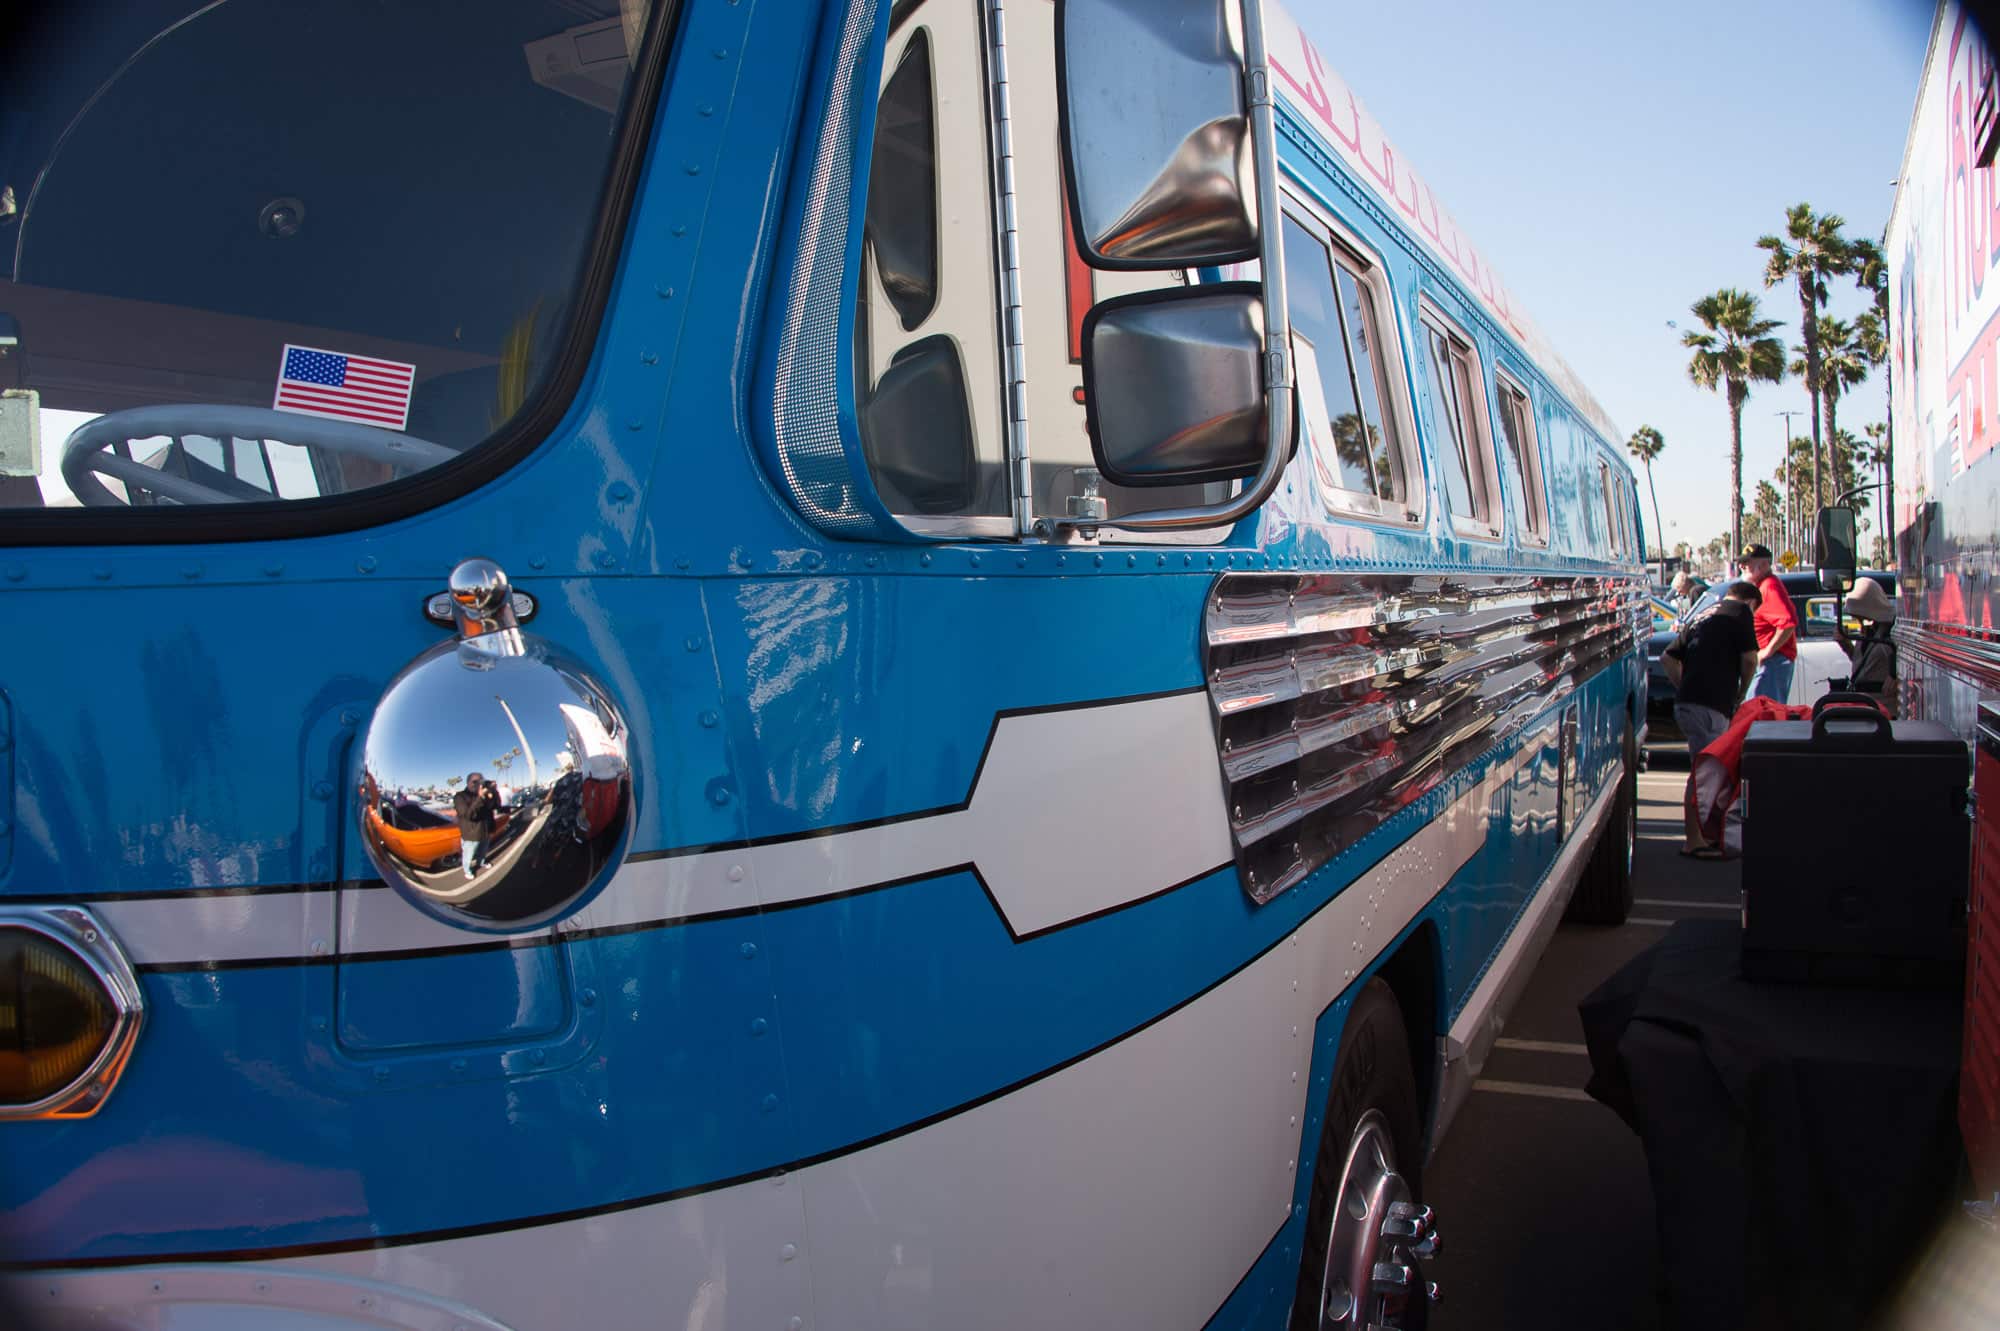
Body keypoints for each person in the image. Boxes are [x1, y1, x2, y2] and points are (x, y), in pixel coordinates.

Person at [1662, 581, 1759, 857]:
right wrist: (1741, 692)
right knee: (1703, 772)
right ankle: (1694, 840)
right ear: (1750, 602)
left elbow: (1667, 657)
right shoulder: (1740, 612)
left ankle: (1707, 836)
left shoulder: (1704, 614)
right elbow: (1750, 660)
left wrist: (1684, 686)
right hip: (1711, 705)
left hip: (1688, 703)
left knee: (1707, 770)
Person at [1737, 543, 1798, 702]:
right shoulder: (1762, 586)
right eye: (1742, 562)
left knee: (1763, 712)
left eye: (1747, 562)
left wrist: (1768, 651)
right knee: (1758, 710)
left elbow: (1788, 623)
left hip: (1773, 662)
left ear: (1764, 564)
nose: (1742, 566)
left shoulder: (1769, 586)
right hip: (1769, 662)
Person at [1834, 578, 1899, 713]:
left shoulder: (1892, 631)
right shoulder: (1868, 631)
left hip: (1885, 708)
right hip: (1864, 706)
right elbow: (1866, 666)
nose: (1858, 620)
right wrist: (1846, 645)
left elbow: (1907, 663)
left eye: (1860, 615)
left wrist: (1896, 676)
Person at [452, 772, 499, 879]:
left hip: (485, 830)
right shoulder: (460, 796)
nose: (478, 784)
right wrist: (480, 798)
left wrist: (494, 791)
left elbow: (495, 806)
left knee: (483, 851)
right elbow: (468, 815)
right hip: (471, 834)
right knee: (469, 855)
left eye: (480, 781)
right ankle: (467, 870)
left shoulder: (484, 794)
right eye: (474, 782)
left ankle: (481, 862)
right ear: (468, 782)